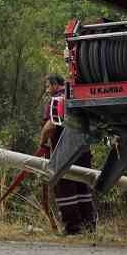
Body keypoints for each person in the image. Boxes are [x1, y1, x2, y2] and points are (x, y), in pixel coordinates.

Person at [40, 73, 96, 235]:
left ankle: (73, 228)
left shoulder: (56, 100)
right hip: (83, 152)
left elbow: (51, 126)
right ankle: (89, 226)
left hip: (64, 152)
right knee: (82, 187)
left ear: (54, 85)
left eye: (47, 86)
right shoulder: (79, 97)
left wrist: (42, 142)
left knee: (64, 189)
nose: (47, 89)